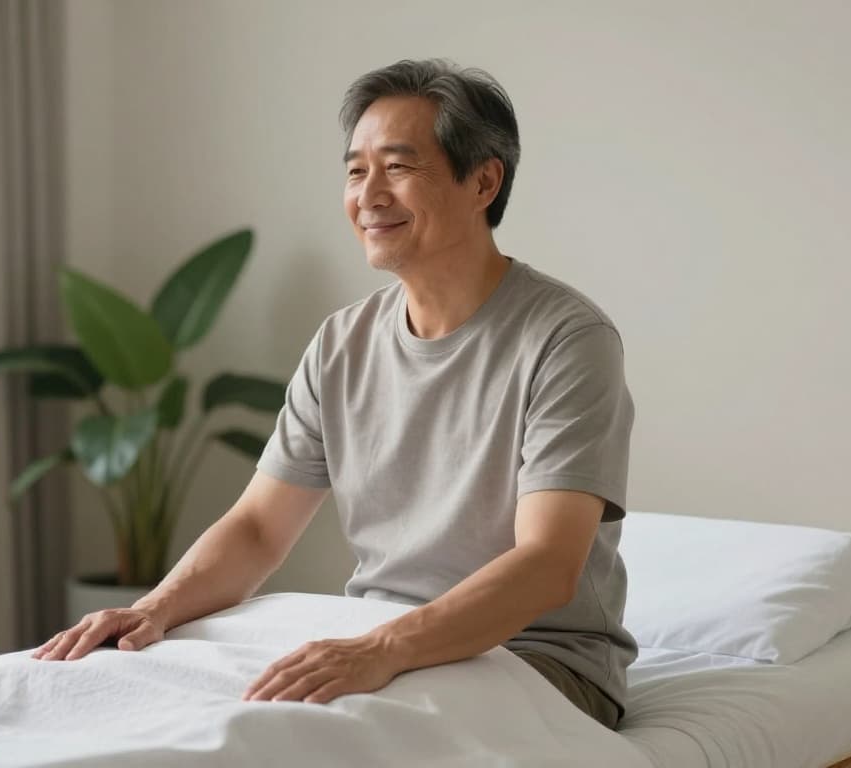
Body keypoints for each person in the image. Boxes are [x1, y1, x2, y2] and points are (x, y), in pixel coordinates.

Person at [33, 58, 636, 731]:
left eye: (398, 167)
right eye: (355, 171)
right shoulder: (342, 342)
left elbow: (548, 565)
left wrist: (384, 649)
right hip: (377, 639)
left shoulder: (567, 338)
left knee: (294, 736)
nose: (368, 195)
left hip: (537, 661)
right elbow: (260, 527)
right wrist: (156, 608)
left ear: (483, 181)